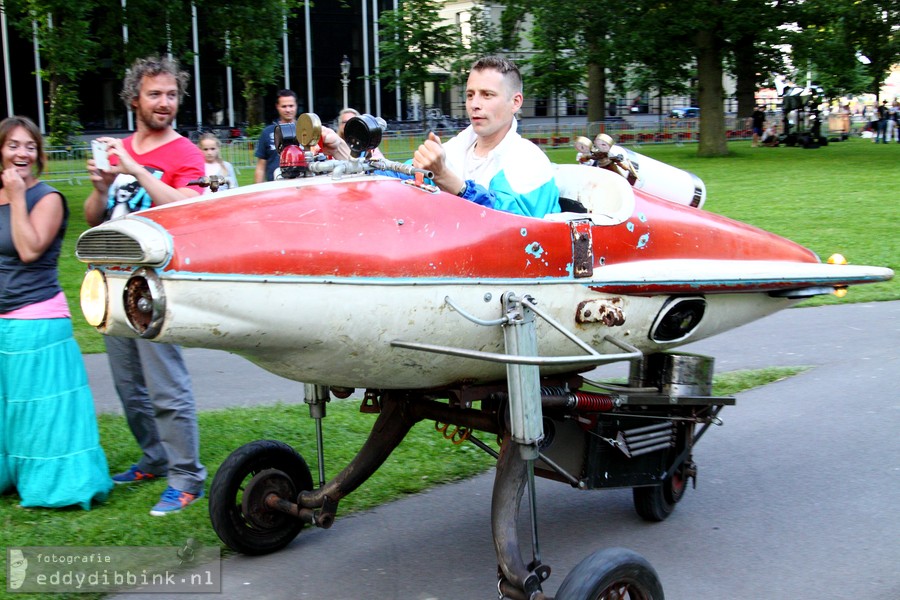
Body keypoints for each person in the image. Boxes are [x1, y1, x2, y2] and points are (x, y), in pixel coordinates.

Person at [84, 56, 207, 516]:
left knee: (165, 386)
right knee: (128, 385)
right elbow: (96, 218)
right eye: (154, 94)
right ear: (134, 97)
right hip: (112, 279)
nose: (165, 102)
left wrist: (135, 169)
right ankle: (155, 458)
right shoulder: (120, 150)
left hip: (154, 287)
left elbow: (188, 207)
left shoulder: (185, 154)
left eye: (172, 94)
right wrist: (101, 186)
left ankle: (187, 476)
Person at [0, 115, 113, 510]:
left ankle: (56, 485)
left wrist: (16, 196)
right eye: (13, 144)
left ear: (39, 154)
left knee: (43, 414)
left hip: (37, 319)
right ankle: (12, 473)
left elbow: (29, 249)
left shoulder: (47, 198)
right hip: (3, 324)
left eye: (29, 145)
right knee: (10, 411)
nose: (22, 153)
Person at [409, 56, 559, 218]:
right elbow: (403, 174)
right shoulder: (457, 147)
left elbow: (508, 220)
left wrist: (443, 176)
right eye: (470, 95)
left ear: (515, 102)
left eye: (487, 95)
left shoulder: (529, 160)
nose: (474, 104)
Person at [254, 89, 298, 182]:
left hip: (302, 185)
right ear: (277, 106)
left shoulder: (306, 131)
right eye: (284, 106)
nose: (288, 110)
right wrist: (259, 191)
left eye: (291, 106)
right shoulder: (267, 132)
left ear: (296, 106)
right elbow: (261, 167)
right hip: (276, 187)